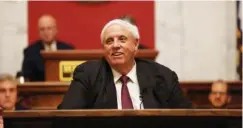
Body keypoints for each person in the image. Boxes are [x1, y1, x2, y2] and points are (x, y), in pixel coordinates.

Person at [58, 19, 191, 109]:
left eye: (122, 39)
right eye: (109, 41)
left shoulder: (163, 76)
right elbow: (67, 116)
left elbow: (187, 117)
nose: (115, 45)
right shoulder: (88, 75)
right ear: (103, 48)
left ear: (136, 44)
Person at [21, 14, 74, 81]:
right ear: (38, 32)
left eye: (49, 28)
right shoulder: (30, 51)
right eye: (42, 29)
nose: (46, 32)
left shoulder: (68, 49)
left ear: (56, 30)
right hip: (39, 89)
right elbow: (26, 77)